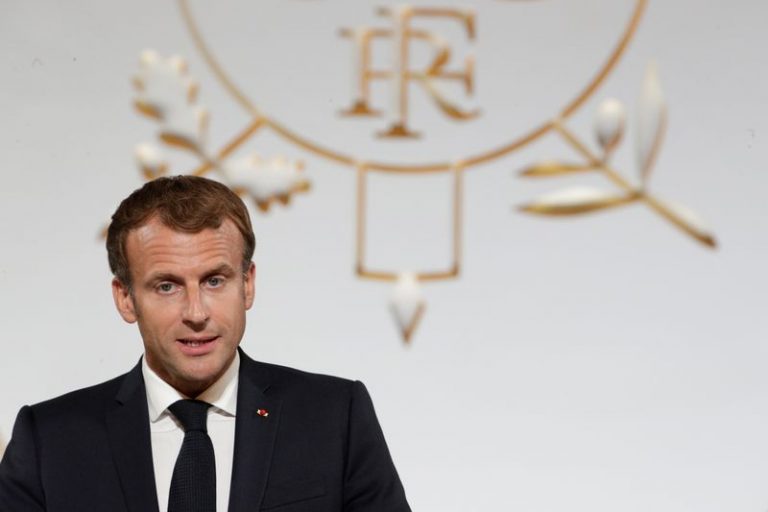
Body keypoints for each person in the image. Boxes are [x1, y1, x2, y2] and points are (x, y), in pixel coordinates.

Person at [0, 175, 411, 512]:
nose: (196, 312)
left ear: (247, 284)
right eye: (167, 286)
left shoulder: (335, 418)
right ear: (125, 298)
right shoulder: (49, 440)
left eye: (215, 280)